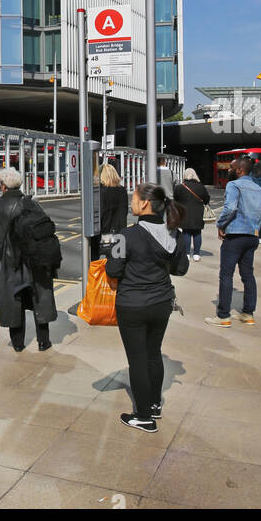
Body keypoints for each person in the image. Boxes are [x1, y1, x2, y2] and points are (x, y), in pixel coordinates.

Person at [104, 182, 188, 432]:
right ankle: (154, 404)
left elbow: (113, 269)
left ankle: (142, 416)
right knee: (153, 353)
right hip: (162, 303)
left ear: (144, 203)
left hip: (132, 305)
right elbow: (180, 269)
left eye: (134, 198)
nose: (131, 202)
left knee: (137, 359)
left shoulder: (124, 235)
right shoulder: (175, 233)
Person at [0, 167, 58, 352]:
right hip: (35, 259)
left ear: (3, 186)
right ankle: (43, 341)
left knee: (14, 301)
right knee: (39, 298)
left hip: (11, 262)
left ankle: (18, 344)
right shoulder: (32, 203)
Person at [205, 155, 261, 327]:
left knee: (226, 275)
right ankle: (248, 314)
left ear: (240, 170)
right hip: (252, 236)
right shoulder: (259, 190)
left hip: (235, 235)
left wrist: (221, 224)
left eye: (231, 168)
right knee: (248, 275)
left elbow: (230, 207)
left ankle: (223, 315)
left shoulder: (234, 185)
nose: (229, 170)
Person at [90, 164, 129, 260]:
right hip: (120, 233)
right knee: (116, 265)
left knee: (95, 261)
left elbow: (100, 214)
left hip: (103, 234)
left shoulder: (100, 192)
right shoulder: (122, 190)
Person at [173, 167, 210, 260]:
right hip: (198, 213)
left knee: (186, 233)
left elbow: (175, 199)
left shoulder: (180, 187)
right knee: (197, 233)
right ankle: (197, 254)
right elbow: (207, 199)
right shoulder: (201, 186)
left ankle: (187, 254)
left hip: (184, 213)